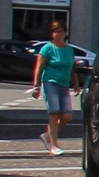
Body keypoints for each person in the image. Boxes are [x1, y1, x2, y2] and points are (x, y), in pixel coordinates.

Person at [31, 19, 75, 155]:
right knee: (54, 114)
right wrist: (36, 86)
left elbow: (72, 68)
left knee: (67, 116)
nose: (58, 34)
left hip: (64, 85)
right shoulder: (47, 48)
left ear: (65, 33)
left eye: (60, 31)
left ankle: (47, 136)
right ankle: (53, 146)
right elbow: (39, 66)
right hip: (50, 83)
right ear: (51, 33)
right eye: (55, 31)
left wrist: (76, 84)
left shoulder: (69, 49)